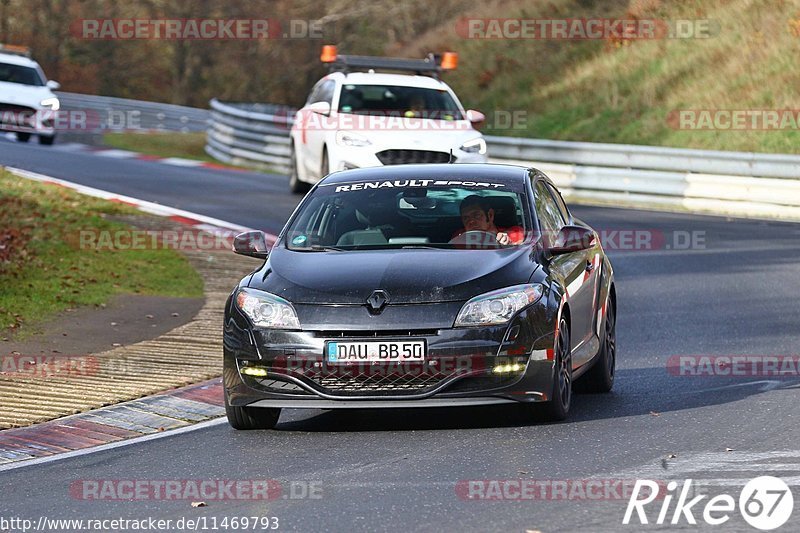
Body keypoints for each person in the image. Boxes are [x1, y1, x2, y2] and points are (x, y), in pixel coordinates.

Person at [456, 195, 524, 245]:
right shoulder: (459, 237)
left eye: (476, 215)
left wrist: (509, 243)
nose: (471, 221)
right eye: (466, 218)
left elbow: (522, 249)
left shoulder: (514, 233)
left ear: (490, 215)